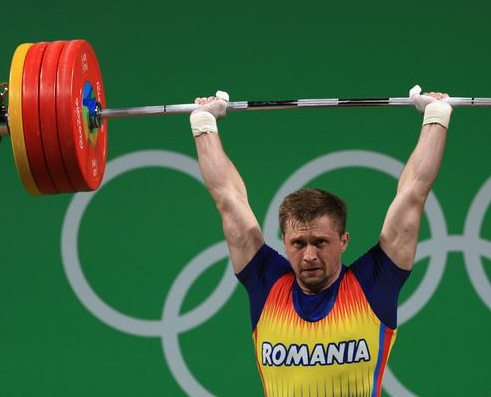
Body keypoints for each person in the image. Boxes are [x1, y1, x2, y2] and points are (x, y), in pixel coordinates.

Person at [189, 86, 451, 395]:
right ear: (285, 242)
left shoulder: (375, 283)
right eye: (299, 244)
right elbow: (227, 198)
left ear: (343, 241)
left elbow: (413, 194)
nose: (310, 255)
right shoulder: (267, 283)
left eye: (320, 242)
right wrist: (204, 124)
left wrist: (436, 116)